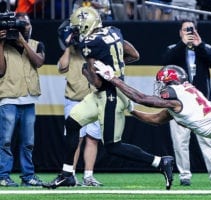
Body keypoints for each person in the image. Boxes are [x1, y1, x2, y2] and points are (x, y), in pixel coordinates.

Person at [43, 6, 174, 190]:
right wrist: (114, 65)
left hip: (110, 95)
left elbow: (96, 82)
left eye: (77, 28)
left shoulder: (89, 44)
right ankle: (67, 174)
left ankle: (160, 162)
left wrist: (86, 73)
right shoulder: (113, 31)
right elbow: (134, 55)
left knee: (113, 146)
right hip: (102, 93)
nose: (75, 31)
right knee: (72, 122)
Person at [161, 19, 211, 186]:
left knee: (208, 139)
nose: (188, 33)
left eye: (191, 30)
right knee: (180, 142)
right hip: (178, 104)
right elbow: (166, 61)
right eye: (185, 30)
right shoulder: (174, 49)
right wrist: (182, 44)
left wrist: (199, 45)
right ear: (180, 32)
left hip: (201, 104)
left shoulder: (204, 48)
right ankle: (185, 176)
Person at [0, 12, 45, 187]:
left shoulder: (36, 44)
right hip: (8, 99)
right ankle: (3, 176)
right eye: (18, 25)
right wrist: (1, 43)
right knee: (5, 141)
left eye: (24, 24)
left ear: (30, 26)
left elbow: (39, 62)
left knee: (28, 143)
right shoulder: (3, 45)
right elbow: (0, 71)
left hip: (29, 100)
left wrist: (23, 43)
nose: (21, 27)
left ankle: (28, 176)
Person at [57, 21, 103, 187]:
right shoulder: (69, 52)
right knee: (75, 139)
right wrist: (69, 46)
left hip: (94, 99)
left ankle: (89, 176)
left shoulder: (93, 50)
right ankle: (71, 174)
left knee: (93, 139)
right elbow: (62, 68)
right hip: (74, 101)